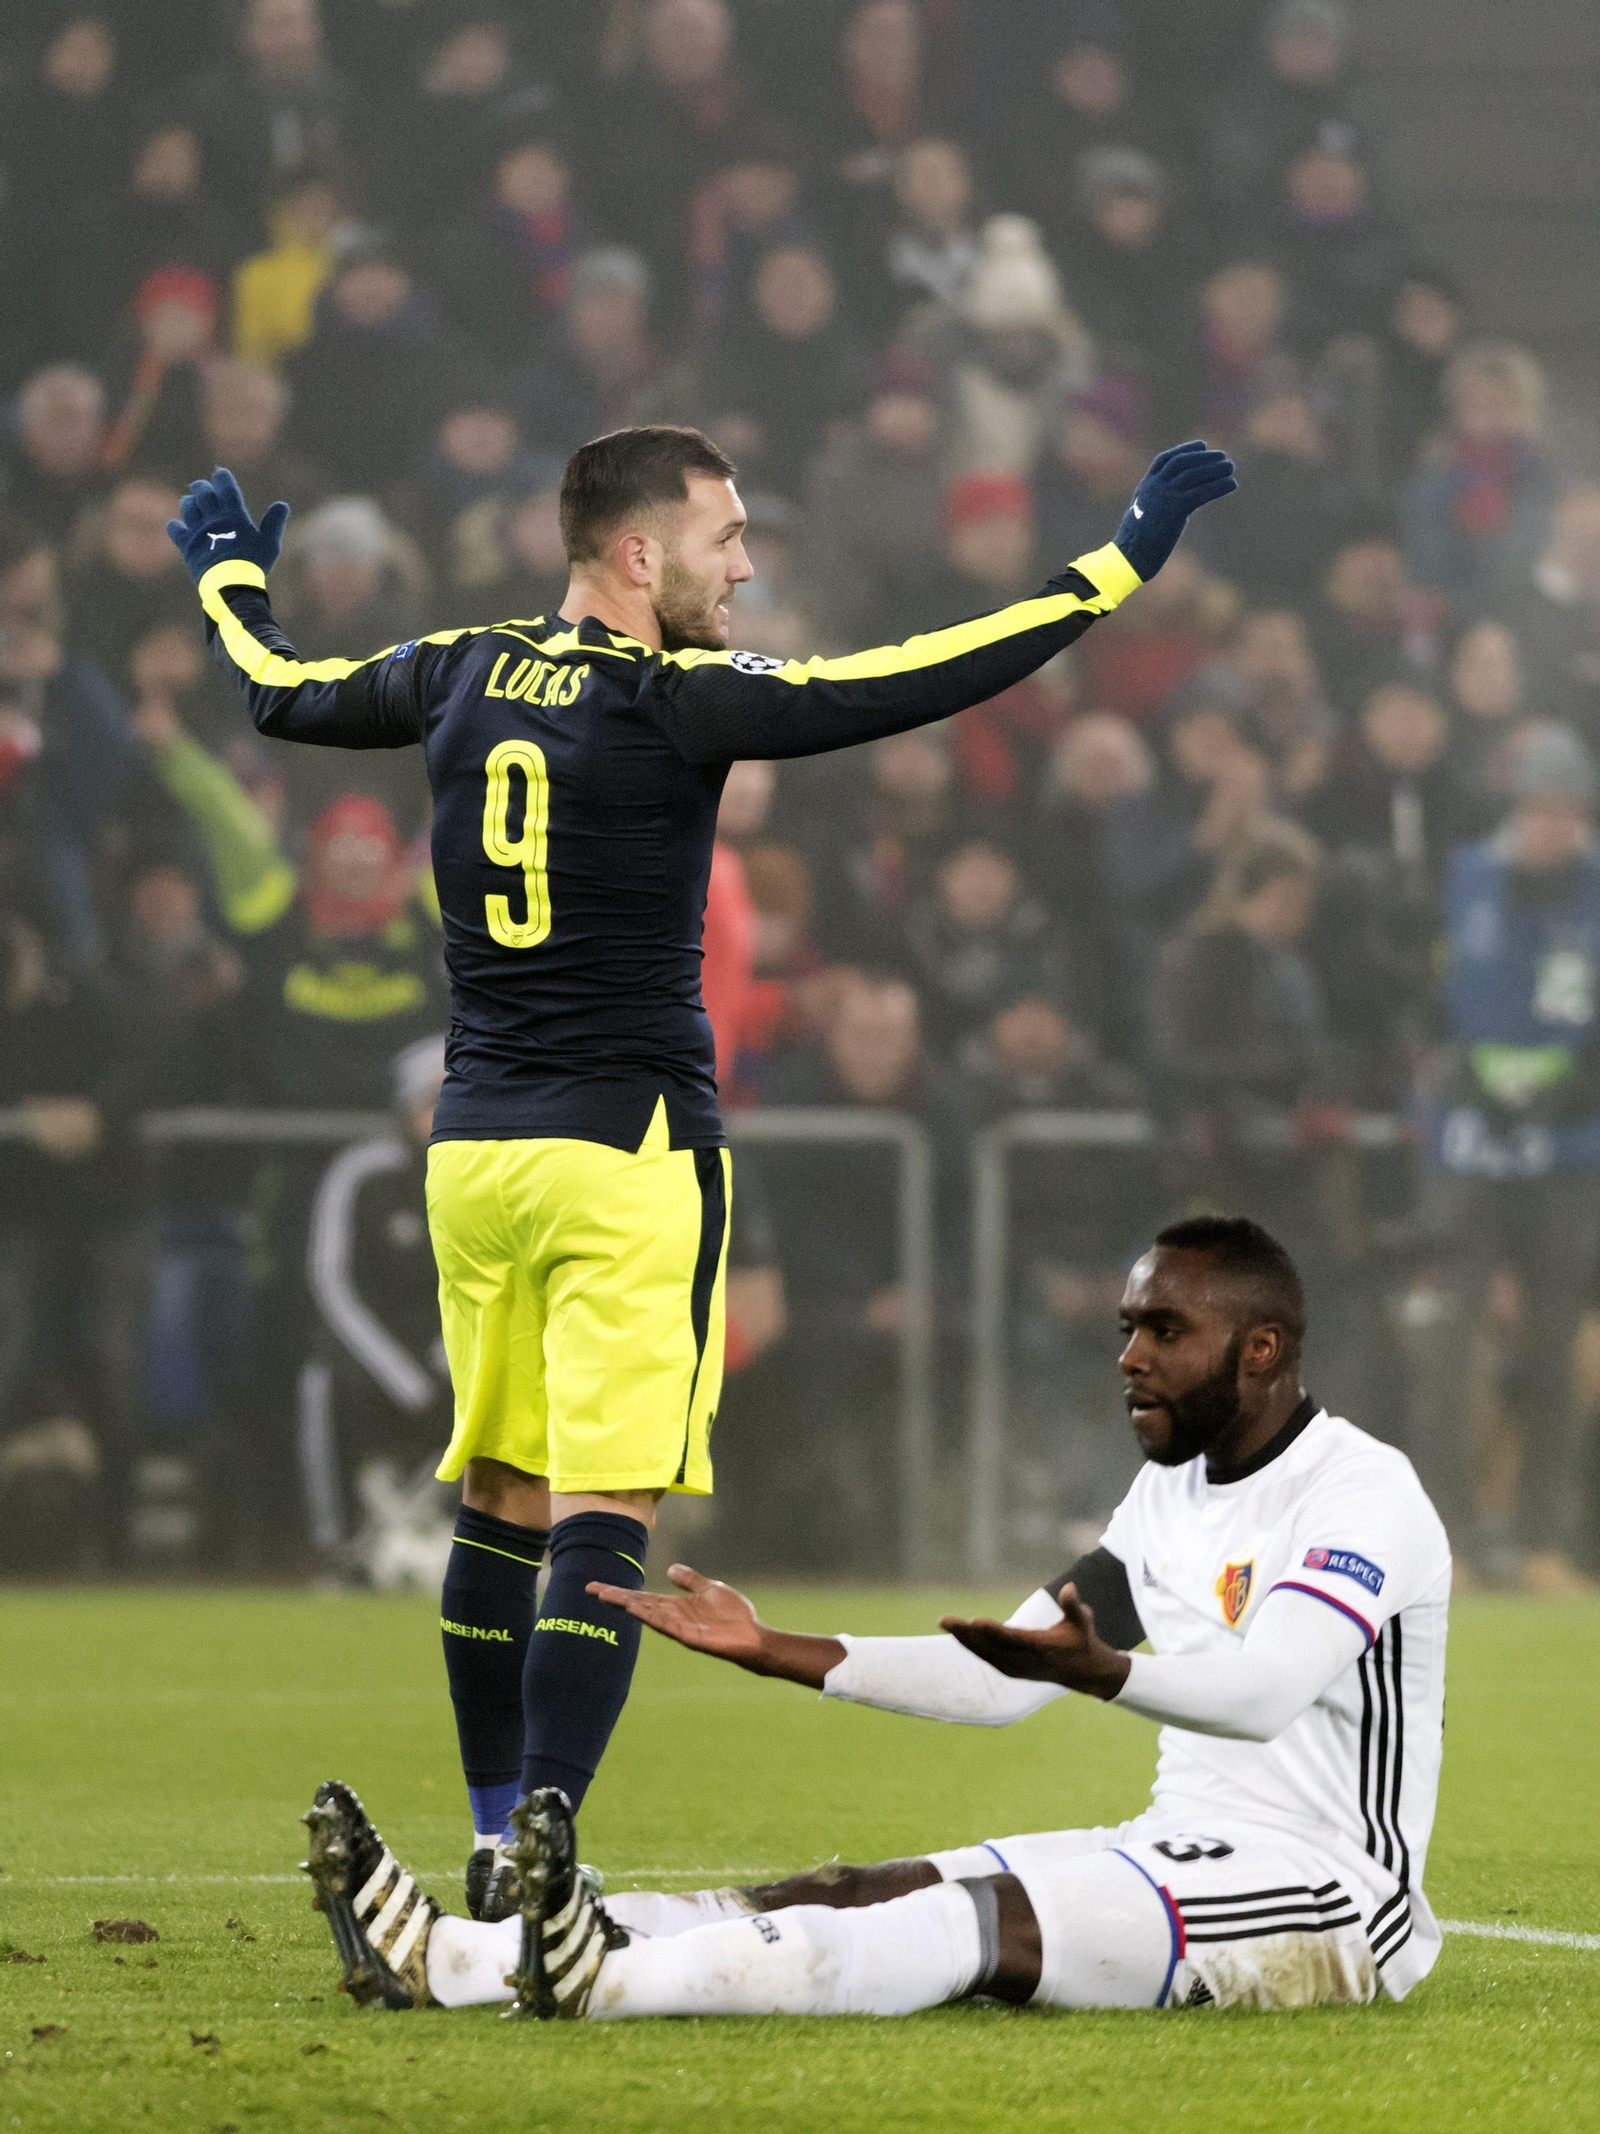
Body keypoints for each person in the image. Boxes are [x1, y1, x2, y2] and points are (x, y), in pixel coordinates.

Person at [168, 420, 1235, 1913]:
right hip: (627, 1149)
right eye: (725, 538)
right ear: (636, 552)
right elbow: (922, 673)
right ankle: (547, 1831)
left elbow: (276, 692)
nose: (747, 565)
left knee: (498, 1493)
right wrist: (1117, 562)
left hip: (475, 1151)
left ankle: (489, 1834)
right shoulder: (674, 702)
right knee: (605, 1509)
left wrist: (228, 579)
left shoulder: (458, 666)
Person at [298, 1216, 1452, 2023]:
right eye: (1125, 1327)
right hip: (1175, 1849)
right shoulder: (1172, 1490)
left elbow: (1263, 1695)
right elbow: (1006, 1678)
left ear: (1261, 1349)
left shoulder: (1363, 1493)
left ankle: (597, 1980)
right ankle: (454, 1955)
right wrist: (778, 1649)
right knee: (855, 1887)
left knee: (960, 1926)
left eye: (1163, 1330)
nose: (1128, 1357)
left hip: (1330, 1895)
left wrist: (1102, 1674)